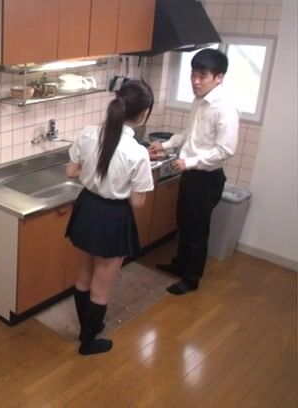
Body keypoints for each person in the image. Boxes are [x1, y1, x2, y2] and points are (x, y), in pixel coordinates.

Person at [65, 80, 155, 355]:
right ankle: (88, 342)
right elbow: (138, 202)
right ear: (143, 114)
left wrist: (94, 176)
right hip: (112, 216)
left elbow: (71, 171)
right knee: (101, 287)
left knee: (84, 276)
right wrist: (120, 185)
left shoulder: (88, 134)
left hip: (87, 208)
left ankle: (86, 329)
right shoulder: (137, 152)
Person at [149, 48, 239, 296]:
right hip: (191, 175)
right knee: (184, 224)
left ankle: (191, 279)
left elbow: (225, 150)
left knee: (197, 230)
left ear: (218, 77)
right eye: (193, 75)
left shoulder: (224, 108)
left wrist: (190, 162)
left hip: (207, 179)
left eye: (202, 76)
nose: (195, 82)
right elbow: (190, 134)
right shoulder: (200, 101)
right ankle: (180, 264)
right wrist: (165, 145)